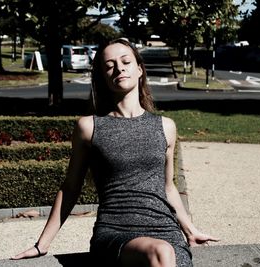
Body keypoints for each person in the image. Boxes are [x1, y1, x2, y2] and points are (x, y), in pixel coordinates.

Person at [12, 38, 219, 266]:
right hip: (115, 232)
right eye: (109, 65)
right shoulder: (89, 127)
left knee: (165, 251)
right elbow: (71, 187)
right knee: (161, 253)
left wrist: (190, 231)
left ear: (139, 69)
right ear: (102, 77)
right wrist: (42, 244)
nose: (119, 68)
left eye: (126, 61)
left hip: (165, 230)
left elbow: (168, 187)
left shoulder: (166, 126)